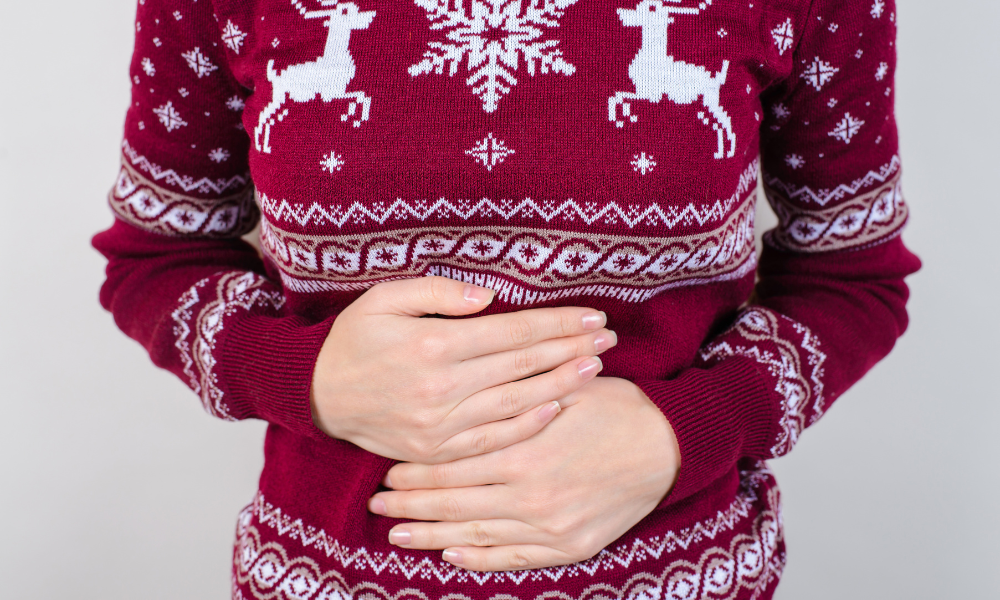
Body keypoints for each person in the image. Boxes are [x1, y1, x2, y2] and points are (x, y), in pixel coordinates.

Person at [93, 0, 920, 598]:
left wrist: (686, 431)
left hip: (683, 577)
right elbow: (154, 254)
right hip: (321, 577)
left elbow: (853, 277)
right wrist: (300, 375)